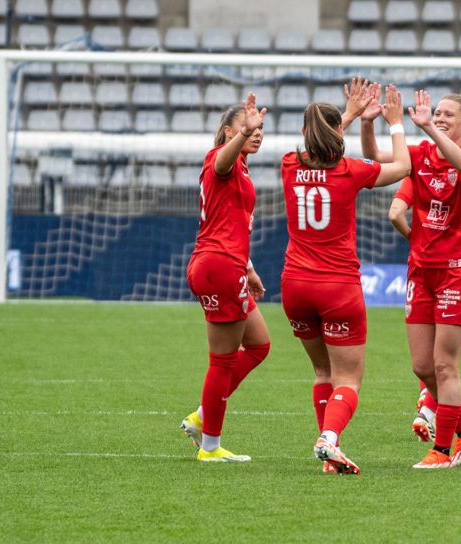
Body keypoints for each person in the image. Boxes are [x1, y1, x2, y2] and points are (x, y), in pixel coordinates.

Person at [281, 81, 411, 474]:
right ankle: (329, 439)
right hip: (337, 286)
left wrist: (347, 115)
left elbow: (315, 145)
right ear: (337, 133)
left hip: (295, 285)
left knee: (322, 373)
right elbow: (404, 166)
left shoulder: (289, 164)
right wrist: (395, 124)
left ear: (305, 134)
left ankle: (328, 453)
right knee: (349, 379)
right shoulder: (349, 171)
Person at [367, 90, 461, 469]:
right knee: (422, 368)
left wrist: (427, 127)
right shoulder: (420, 156)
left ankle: (442, 450)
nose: (439, 117)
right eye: (436, 113)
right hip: (420, 272)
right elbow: (377, 157)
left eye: (447, 114)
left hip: (457, 272)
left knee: (445, 365)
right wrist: (367, 123)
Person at [181, 93, 272, 462]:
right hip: (216, 265)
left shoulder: (243, 168)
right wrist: (238, 138)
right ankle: (210, 446)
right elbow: (220, 161)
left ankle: (203, 414)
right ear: (229, 130)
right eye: (248, 127)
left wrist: (248, 267)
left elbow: (230, 222)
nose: (257, 133)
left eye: (261, 128)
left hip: (228, 264)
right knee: (221, 359)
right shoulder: (220, 160)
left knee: (260, 344)